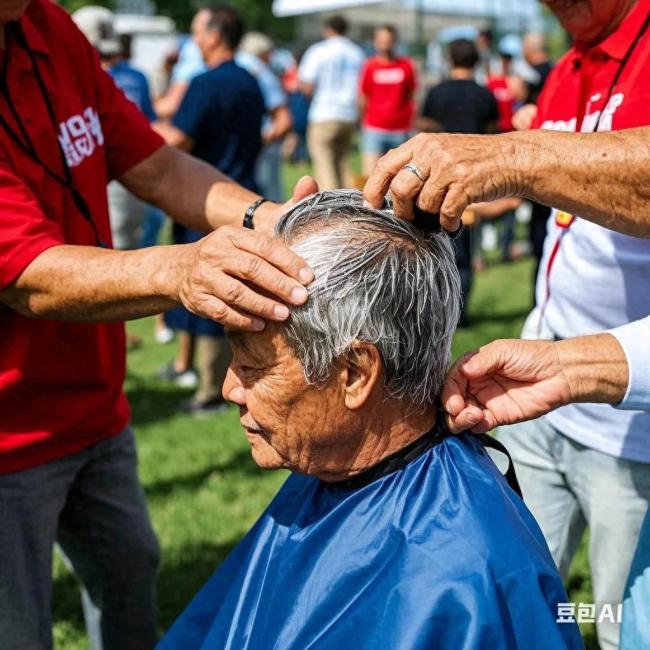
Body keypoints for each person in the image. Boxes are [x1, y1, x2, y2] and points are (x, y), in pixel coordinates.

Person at [0, 2, 316, 648]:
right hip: (10, 436)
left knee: (130, 573)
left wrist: (267, 218)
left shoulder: (50, 27)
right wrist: (185, 270)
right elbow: (27, 274)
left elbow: (158, 165)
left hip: (95, 408)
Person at [158, 190, 582, 650]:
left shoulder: (468, 575)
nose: (229, 389)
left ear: (356, 373)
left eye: (253, 366)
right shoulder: (333, 465)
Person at [155, 6, 266, 415]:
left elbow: (178, 142)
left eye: (197, 32)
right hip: (245, 196)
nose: (193, 40)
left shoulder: (204, 84)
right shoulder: (250, 82)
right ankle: (209, 375)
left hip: (204, 199)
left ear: (215, 36)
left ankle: (207, 389)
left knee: (205, 295)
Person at [417, 38, 499, 324]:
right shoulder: (485, 95)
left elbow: (423, 126)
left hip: (437, 179)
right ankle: (459, 313)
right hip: (472, 179)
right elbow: (492, 133)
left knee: (434, 245)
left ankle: (436, 312)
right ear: (476, 61)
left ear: (449, 59)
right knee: (464, 248)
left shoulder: (436, 92)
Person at [298, 15, 364, 190]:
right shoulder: (357, 53)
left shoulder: (319, 50)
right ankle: (351, 204)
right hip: (348, 114)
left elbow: (306, 85)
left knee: (324, 165)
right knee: (343, 166)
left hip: (323, 112)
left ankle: (332, 210)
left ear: (328, 29)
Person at [237, 31, 293, 202]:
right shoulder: (260, 71)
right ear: (262, 53)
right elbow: (284, 120)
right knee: (270, 200)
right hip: (262, 146)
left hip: (243, 147)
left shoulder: (234, 65)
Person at [358, 25, 416, 176]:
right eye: (381, 40)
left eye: (388, 40)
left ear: (394, 41)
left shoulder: (406, 66)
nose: (384, 43)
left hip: (400, 130)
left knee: (400, 180)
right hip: (374, 129)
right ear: (375, 42)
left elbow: (412, 95)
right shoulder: (370, 66)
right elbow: (363, 96)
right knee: (371, 177)